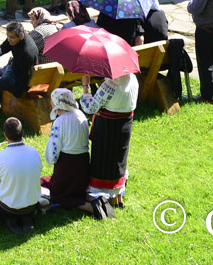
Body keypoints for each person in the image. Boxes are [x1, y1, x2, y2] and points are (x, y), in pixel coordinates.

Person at [79, 65, 140, 205]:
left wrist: (85, 86)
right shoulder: (133, 79)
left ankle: (107, 197)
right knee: (119, 157)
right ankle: (118, 195)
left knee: (104, 160)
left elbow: (90, 107)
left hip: (108, 126)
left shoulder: (110, 85)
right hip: (125, 125)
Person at [0, 117, 43, 234]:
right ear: (23, 133)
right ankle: (26, 218)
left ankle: (10, 219)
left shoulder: (0, 157)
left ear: (5, 135)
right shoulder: (34, 152)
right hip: (31, 206)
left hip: (8, 208)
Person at [42, 87, 101, 216]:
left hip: (68, 165)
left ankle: (89, 207)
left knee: (58, 195)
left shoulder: (60, 121)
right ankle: (94, 199)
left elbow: (54, 147)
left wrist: (50, 159)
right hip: (83, 164)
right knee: (78, 190)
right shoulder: (81, 116)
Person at [0, 18, 41, 126]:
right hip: (14, 68)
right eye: (8, 36)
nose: (9, 39)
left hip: (18, 78)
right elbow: (5, 46)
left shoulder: (27, 53)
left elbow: (24, 78)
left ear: (21, 36)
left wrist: (15, 97)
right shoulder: (15, 37)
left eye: (12, 38)